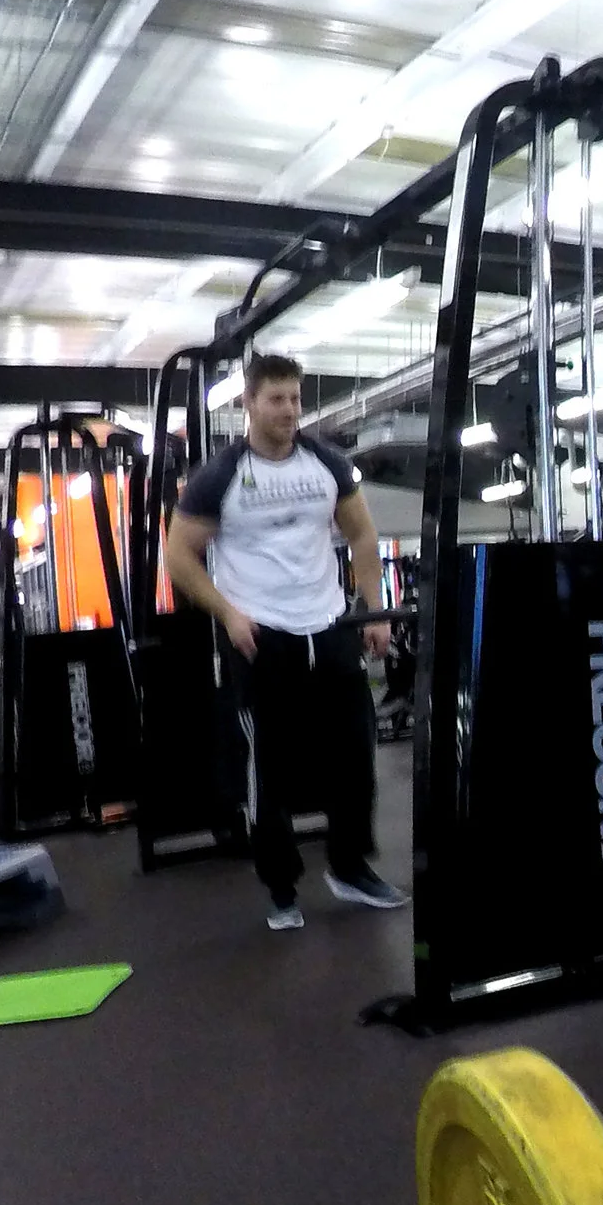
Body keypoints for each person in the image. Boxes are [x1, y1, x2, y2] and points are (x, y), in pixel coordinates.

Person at [166, 351, 407, 929]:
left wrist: (372, 610)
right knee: (266, 767)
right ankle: (281, 887)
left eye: (295, 399)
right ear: (248, 403)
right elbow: (178, 556)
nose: (289, 410)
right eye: (276, 399)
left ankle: (349, 866)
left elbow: (362, 535)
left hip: (328, 626)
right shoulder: (220, 476)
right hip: (261, 635)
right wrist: (228, 613)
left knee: (355, 752)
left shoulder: (326, 463)